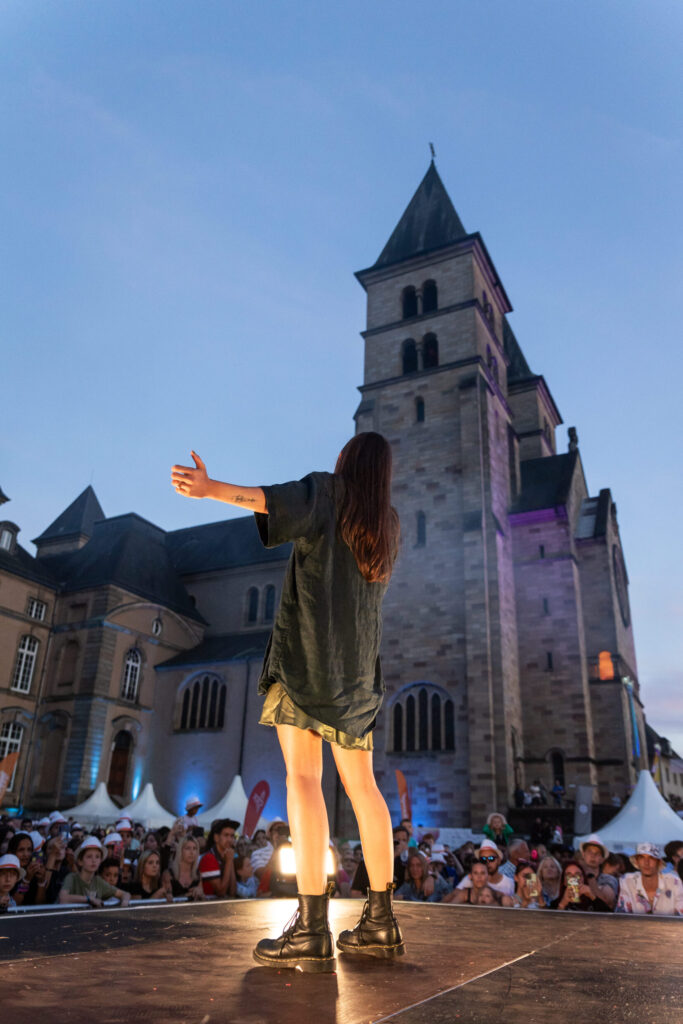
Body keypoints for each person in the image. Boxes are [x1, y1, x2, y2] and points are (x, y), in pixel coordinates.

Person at [172, 433, 403, 972]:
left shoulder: (326, 492)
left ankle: (313, 926)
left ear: (349, 462)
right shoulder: (385, 523)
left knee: (303, 780)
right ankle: (381, 921)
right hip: (358, 677)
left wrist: (208, 489)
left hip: (306, 664)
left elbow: (266, 500)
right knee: (364, 788)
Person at [59, 837, 131, 908]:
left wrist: (124, 902)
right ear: (80, 861)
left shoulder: (98, 881)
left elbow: (125, 894)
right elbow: (63, 898)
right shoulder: (72, 878)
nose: (94, 860)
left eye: (97, 857)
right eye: (89, 856)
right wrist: (89, 899)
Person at [616, 843, 683, 916]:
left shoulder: (674, 882)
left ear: (658, 862)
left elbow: (680, 917)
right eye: (641, 858)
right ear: (637, 862)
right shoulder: (627, 880)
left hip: (669, 927)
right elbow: (622, 916)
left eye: (651, 858)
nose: (646, 863)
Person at [199, 818, 239, 898]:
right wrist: (229, 862)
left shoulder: (227, 856)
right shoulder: (209, 858)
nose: (230, 840)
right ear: (216, 838)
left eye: (232, 836)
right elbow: (221, 892)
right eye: (226, 835)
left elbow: (233, 892)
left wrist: (229, 861)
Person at [577, 834, 617, 912]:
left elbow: (605, 901)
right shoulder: (576, 876)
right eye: (589, 852)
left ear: (602, 859)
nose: (593, 856)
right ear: (583, 855)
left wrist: (590, 876)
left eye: (597, 853)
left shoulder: (609, 879)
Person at [164, 836, 204, 900]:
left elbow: (202, 901)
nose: (192, 852)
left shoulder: (198, 875)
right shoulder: (168, 875)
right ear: (180, 851)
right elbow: (167, 902)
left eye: (194, 848)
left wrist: (201, 894)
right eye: (188, 848)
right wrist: (186, 896)